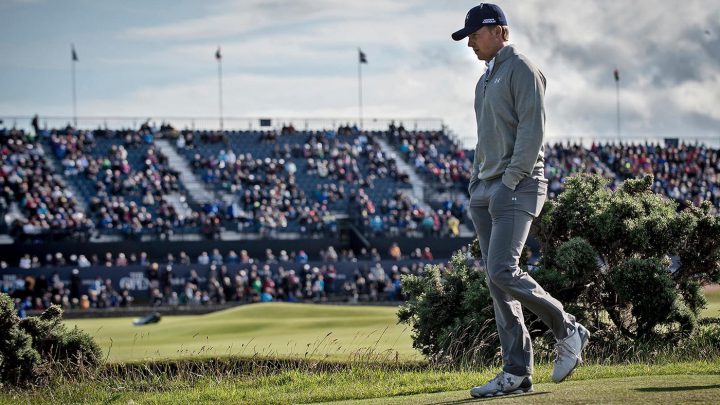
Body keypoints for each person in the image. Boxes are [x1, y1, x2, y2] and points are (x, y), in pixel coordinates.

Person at [452, 4, 589, 398]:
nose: (471, 44)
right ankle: (516, 372)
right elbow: (484, 137)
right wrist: (477, 181)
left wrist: (509, 180)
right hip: (486, 187)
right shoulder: (484, 81)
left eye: (475, 35)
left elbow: (532, 131)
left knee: (502, 270)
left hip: (518, 184)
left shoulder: (522, 69)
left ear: (498, 32)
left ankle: (568, 328)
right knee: (498, 285)